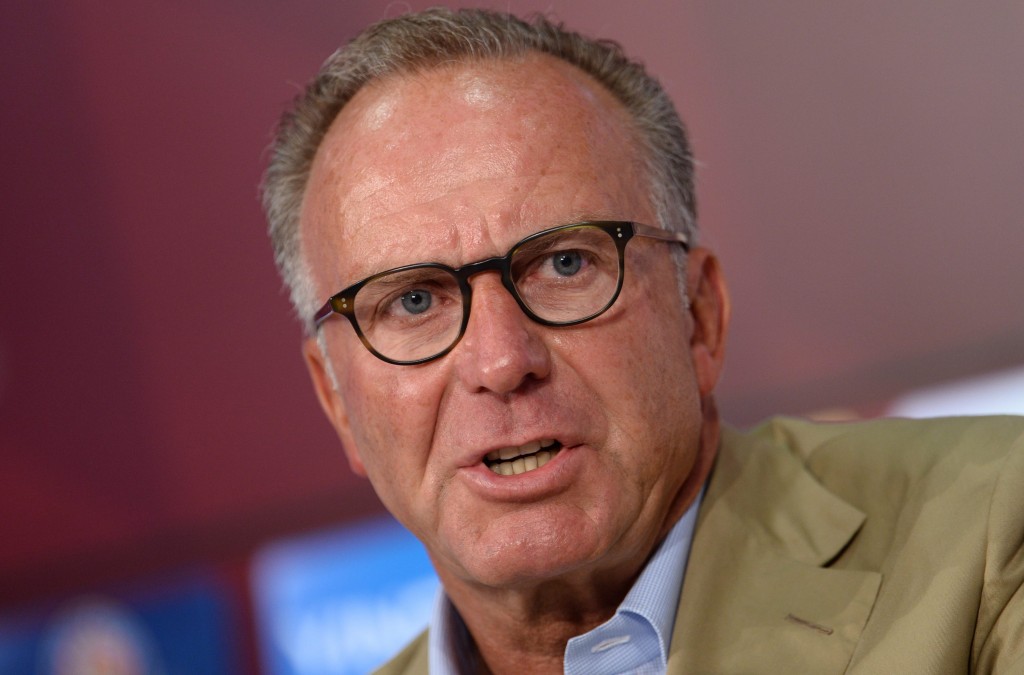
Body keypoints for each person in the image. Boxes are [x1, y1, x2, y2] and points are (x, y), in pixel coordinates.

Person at [261, 8, 1024, 674]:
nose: (500, 361)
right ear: (336, 398)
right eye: (414, 300)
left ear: (700, 314)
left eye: (565, 264)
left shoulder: (993, 532)